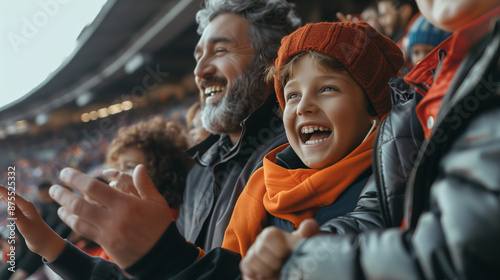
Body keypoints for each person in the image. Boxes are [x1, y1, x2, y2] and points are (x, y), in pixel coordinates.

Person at [0, 19, 403, 279]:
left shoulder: (383, 189)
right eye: (293, 94)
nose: (199, 69)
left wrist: (162, 254)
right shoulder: (223, 174)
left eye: (220, 49)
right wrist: (53, 248)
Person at [240, 0, 500, 279]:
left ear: (373, 111)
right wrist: (301, 246)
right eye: (292, 95)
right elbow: (375, 214)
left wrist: (306, 260)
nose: (304, 106)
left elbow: (458, 250)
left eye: (327, 88)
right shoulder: (430, 87)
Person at [105, 116, 193, 218]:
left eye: (130, 167)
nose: (120, 175)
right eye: (119, 168)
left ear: (161, 170)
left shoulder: (170, 219)